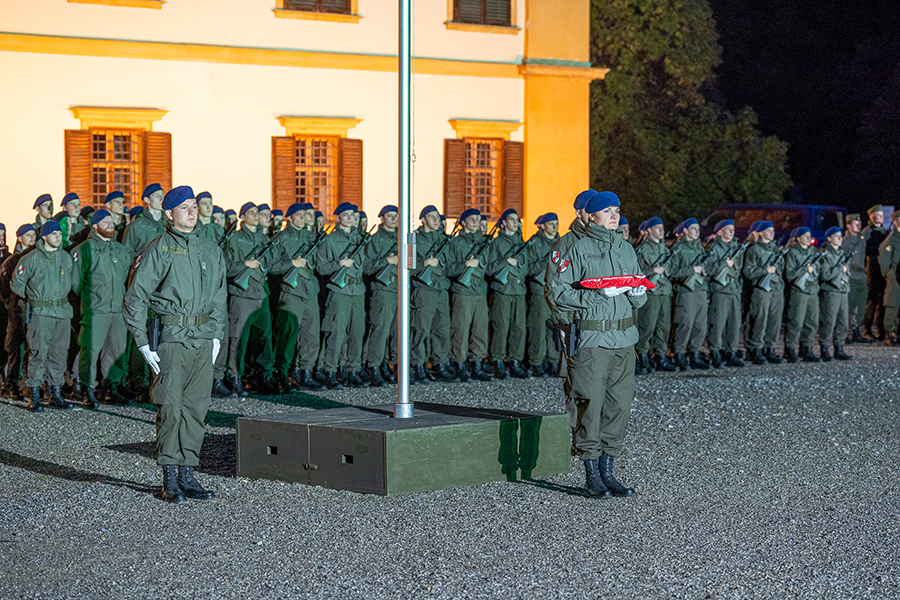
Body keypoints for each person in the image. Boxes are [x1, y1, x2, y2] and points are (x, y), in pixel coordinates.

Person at [123, 185, 226, 503]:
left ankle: (188, 474)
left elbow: (220, 295)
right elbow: (135, 297)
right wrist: (142, 342)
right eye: (184, 207)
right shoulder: (159, 248)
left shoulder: (210, 247)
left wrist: (216, 335)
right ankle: (170, 477)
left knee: (196, 410)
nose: (192, 211)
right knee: (171, 408)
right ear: (169, 214)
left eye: (194, 206)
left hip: (201, 339)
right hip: (171, 339)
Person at [548, 190, 645, 498]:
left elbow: (637, 286)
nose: (614, 215)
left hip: (624, 338)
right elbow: (556, 294)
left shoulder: (626, 247)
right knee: (589, 401)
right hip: (592, 336)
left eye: (616, 210)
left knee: (619, 405)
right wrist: (596, 296)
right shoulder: (575, 248)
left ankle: (608, 470)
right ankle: (591, 473)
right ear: (590, 215)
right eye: (607, 211)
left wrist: (637, 292)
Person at [10, 221, 75, 412]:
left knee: (60, 352)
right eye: (53, 233)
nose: (58, 237)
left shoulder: (65, 257)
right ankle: (34, 394)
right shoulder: (31, 258)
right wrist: (34, 298)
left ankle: (55, 393)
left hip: (62, 311)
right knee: (38, 352)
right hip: (41, 312)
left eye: (59, 233)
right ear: (44, 236)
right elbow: (16, 284)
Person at [70, 209, 132, 407]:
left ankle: (110, 388)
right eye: (104, 221)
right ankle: (88, 388)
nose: (110, 224)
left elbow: (125, 277)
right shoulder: (84, 249)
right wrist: (93, 295)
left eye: (111, 220)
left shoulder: (121, 251)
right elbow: (75, 282)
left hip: (117, 308)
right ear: (94, 226)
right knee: (91, 349)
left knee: (116, 349)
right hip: (96, 308)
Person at [222, 202, 277, 395]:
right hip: (242, 295)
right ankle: (235, 377)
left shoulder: (264, 239)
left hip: (261, 293)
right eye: (251, 213)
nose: (255, 215)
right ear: (242, 217)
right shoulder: (234, 239)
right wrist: (244, 264)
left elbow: (273, 264)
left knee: (264, 338)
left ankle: (262, 377)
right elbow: (225, 267)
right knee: (239, 339)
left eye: (257, 213)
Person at [270, 202, 324, 392]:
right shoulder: (281, 238)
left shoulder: (311, 237)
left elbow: (319, 261)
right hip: (291, 291)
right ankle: (282, 374)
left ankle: (305, 372)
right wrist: (291, 262)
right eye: (298, 215)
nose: (302, 218)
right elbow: (271, 266)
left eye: (304, 215)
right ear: (289, 218)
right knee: (288, 335)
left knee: (311, 335)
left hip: (310, 289)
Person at [315, 202, 367, 389]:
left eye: (353, 215)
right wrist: (339, 263)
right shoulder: (330, 240)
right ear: (338, 218)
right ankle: (330, 371)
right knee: (336, 334)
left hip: (358, 291)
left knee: (357, 332)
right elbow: (321, 267)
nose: (350, 218)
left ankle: (353, 370)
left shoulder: (359, 239)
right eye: (345, 215)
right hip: (339, 292)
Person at [409, 205, 456, 383]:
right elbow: (408, 264)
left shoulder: (445, 239)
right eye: (431, 216)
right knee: (421, 329)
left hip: (441, 289)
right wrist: (425, 262)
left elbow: (450, 265)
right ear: (423, 220)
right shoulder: (413, 238)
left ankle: (440, 364)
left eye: (437, 216)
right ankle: (418, 365)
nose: (436, 220)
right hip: (424, 290)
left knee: (442, 329)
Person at [445, 208, 493, 382]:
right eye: (472, 219)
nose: (476, 222)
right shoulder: (456, 243)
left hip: (479, 291)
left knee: (480, 329)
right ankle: (459, 363)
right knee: (460, 330)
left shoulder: (484, 242)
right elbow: (447, 268)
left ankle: (477, 364)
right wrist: (465, 265)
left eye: (478, 219)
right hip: (463, 291)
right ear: (463, 222)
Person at [487, 208, 530, 379]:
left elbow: (526, 267)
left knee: (519, 327)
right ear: (503, 223)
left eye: (517, 219)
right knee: (501, 326)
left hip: (519, 290)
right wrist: (506, 262)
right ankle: (497, 361)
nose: (516, 222)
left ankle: (515, 361)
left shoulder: (522, 243)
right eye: (512, 219)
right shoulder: (496, 243)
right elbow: (489, 268)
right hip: (503, 290)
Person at [361, 205, 399, 386]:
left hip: (400, 289)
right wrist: (387, 261)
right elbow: (367, 267)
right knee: (380, 329)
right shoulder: (375, 240)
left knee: (399, 332)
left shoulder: (404, 239)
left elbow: (413, 265)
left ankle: (396, 366)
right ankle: (374, 366)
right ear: (381, 219)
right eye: (389, 216)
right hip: (383, 290)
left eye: (396, 216)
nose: (394, 219)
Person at [0, 224, 37, 401]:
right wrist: (11, 305)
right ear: (20, 238)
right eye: (28, 235)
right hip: (17, 311)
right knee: (15, 347)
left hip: (33, 310)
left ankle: (32, 384)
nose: (32, 238)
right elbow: (4, 288)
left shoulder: (37, 257)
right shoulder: (12, 261)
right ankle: (12, 382)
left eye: (34, 235)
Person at [634, 216, 676, 373]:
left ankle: (660, 356)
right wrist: (653, 271)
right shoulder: (643, 249)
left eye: (662, 228)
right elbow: (637, 271)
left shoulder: (665, 250)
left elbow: (672, 270)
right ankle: (643, 356)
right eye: (658, 228)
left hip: (664, 291)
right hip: (651, 291)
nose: (661, 231)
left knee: (663, 326)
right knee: (648, 325)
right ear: (649, 230)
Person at [667, 218, 710, 370]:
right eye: (693, 228)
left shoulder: (700, 248)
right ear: (685, 230)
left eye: (698, 228)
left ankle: (695, 355)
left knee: (700, 326)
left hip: (700, 291)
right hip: (686, 292)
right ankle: (679, 354)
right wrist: (691, 270)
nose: (697, 231)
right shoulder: (679, 248)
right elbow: (671, 271)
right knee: (685, 324)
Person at [741, 221, 784, 365]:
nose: (772, 233)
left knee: (774, 321)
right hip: (761, 289)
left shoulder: (775, 249)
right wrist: (765, 270)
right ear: (760, 233)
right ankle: (755, 349)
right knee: (759, 320)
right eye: (768, 231)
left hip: (776, 288)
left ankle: (770, 349)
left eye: (772, 230)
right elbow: (748, 271)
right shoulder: (754, 250)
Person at [705, 219, 745, 368]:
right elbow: (709, 269)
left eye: (732, 229)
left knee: (734, 323)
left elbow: (739, 267)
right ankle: (715, 351)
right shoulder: (714, 248)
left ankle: (731, 352)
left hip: (734, 289)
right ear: (719, 232)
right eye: (728, 229)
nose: (731, 231)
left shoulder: (736, 247)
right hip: (720, 290)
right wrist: (724, 264)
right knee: (718, 322)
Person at [525, 213, 560, 377]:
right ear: (542, 225)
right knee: (538, 329)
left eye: (556, 223)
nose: (555, 227)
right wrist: (547, 262)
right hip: (540, 291)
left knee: (556, 328)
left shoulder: (561, 243)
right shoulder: (535, 243)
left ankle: (553, 361)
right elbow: (528, 268)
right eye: (551, 224)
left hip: (557, 292)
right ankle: (536, 363)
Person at [783, 226, 821, 362]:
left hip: (812, 290)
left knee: (812, 322)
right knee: (796, 321)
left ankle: (807, 349)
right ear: (798, 238)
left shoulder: (811, 252)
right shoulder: (793, 253)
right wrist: (804, 269)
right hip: (799, 291)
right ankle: (789, 349)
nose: (808, 238)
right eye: (805, 236)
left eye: (809, 236)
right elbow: (790, 274)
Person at [818, 226, 852, 360]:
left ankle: (839, 348)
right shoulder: (826, 254)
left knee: (843, 321)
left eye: (840, 236)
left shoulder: (842, 253)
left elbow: (848, 271)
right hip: (831, 290)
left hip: (843, 290)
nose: (840, 238)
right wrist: (839, 268)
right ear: (829, 238)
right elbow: (825, 275)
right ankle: (824, 349)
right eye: (836, 236)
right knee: (829, 321)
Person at [861, 205, 888, 341]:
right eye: (876, 216)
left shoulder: (885, 231)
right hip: (871, 268)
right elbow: (863, 250)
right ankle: (866, 329)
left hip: (882, 269)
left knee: (882, 301)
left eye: (881, 216)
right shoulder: (867, 232)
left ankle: (880, 330)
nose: (879, 218)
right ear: (871, 217)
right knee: (871, 301)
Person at [842, 214, 867, 343]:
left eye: (859, 222)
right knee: (849, 307)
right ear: (848, 225)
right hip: (851, 276)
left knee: (861, 306)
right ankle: (845, 333)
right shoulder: (845, 241)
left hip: (861, 276)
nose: (859, 225)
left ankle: (856, 331)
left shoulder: (861, 240)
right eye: (855, 223)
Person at [878, 211, 900, 346]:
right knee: (892, 305)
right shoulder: (892, 239)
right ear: (896, 222)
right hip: (895, 275)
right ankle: (888, 335)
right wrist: (888, 274)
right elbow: (884, 258)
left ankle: (898, 334)